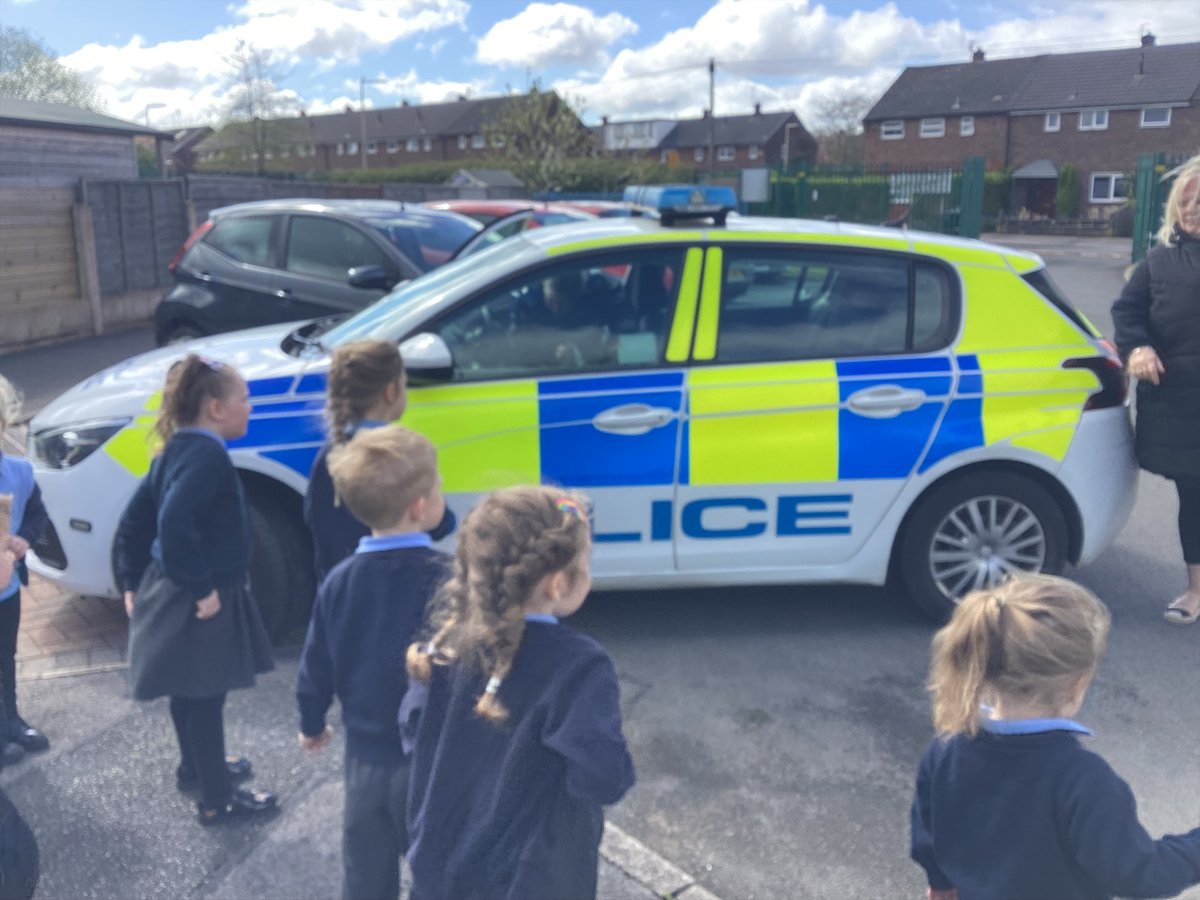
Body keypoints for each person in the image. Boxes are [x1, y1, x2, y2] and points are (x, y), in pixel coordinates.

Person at [401, 485, 635, 900]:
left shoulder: (446, 646)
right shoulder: (579, 666)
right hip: (530, 879)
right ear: (558, 584)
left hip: (438, 867)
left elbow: (412, 732)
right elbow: (601, 777)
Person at [910, 574, 1200, 900]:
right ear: (1076, 685)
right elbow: (1138, 874)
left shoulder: (946, 750)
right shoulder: (1084, 780)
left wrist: (940, 882)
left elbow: (928, 830)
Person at [113, 354, 276, 825]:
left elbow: (134, 523)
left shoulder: (175, 450)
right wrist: (203, 589)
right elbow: (173, 522)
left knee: (188, 690)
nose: (250, 407)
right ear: (214, 407)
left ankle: (196, 767)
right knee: (206, 695)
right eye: (244, 398)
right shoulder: (206, 456)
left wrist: (131, 580)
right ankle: (217, 799)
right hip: (201, 594)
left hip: (173, 586)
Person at [296, 425, 450, 900]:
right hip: (431, 759)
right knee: (438, 867)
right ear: (420, 506)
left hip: (364, 759)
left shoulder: (339, 582)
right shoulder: (449, 579)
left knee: (364, 872)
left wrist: (311, 721)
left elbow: (315, 662)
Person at [1112, 156, 1200, 624]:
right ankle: (1195, 590)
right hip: (1185, 404)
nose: (1192, 209)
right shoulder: (1159, 262)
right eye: (1185, 200)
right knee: (1197, 499)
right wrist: (1139, 348)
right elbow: (1127, 313)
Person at [304, 340, 455, 585]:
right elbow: (440, 524)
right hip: (401, 587)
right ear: (391, 392)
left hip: (344, 587)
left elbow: (319, 526)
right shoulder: (399, 453)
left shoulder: (329, 456)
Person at [0, 376, 50, 766]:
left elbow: (36, 513)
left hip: (6, 588)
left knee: (6, 655)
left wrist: (24, 539)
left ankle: (11, 721)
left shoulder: (18, 471)